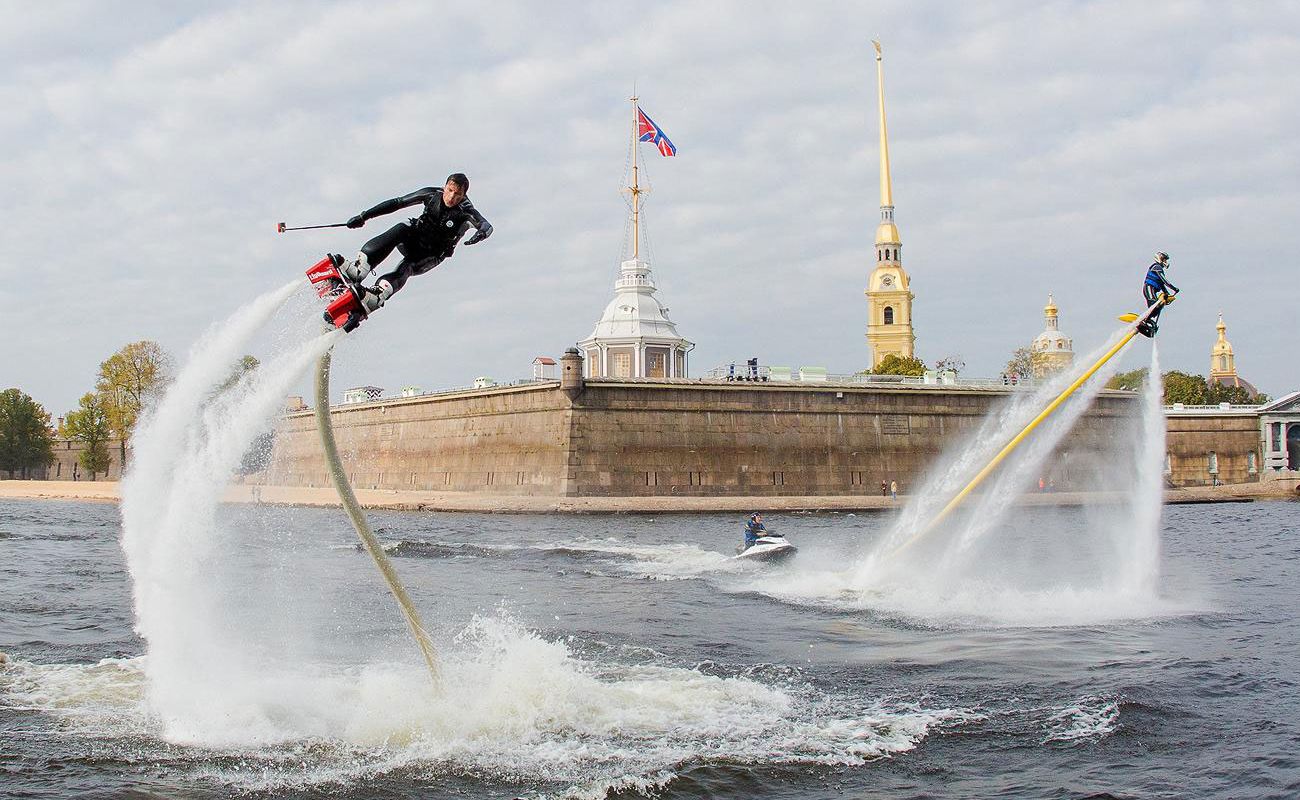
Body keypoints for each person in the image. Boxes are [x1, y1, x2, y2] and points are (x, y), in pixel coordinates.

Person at [333, 173, 493, 319]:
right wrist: (363, 216)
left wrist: (481, 234)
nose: (452, 197)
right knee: (402, 227)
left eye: (458, 194)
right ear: (445, 187)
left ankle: (378, 294)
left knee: (407, 266)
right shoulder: (431, 195)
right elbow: (397, 203)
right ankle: (359, 269)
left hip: (431, 254)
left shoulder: (466, 211)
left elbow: (486, 225)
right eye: (450, 190)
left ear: (463, 195)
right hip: (414, 239)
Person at [1136, 251, 1179, 338]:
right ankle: (1144, 321)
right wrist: (1174, 288)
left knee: (1158, 307)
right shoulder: (1156, 267)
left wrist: (1167, 293)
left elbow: (1161, 285)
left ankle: (1149, 322)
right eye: (1164, 259)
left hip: (1152, 289)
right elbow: (1164, 281)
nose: (1165, 262)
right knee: (1154, 305)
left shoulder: (1160, 268)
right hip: (1149, 288)